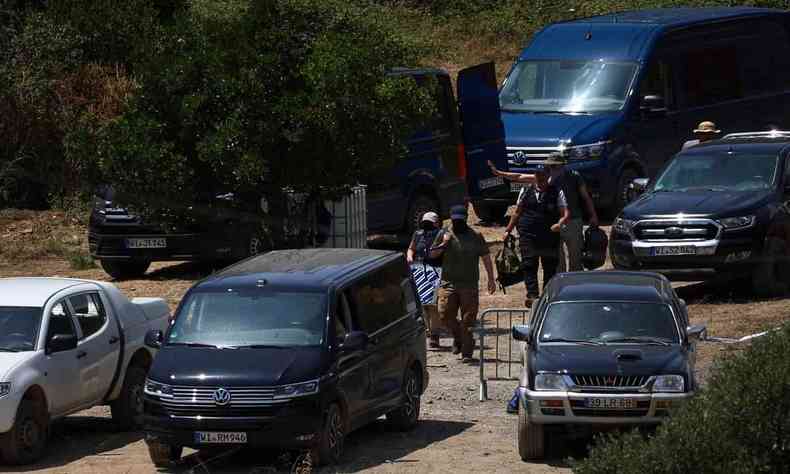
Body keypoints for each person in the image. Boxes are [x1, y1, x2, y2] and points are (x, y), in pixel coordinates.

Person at [488, 155, 598, 272]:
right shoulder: (545, 178)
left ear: (562, 166)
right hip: (553, 223)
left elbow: (586, 197)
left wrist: (593, 216)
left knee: (576, 258)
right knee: (557, 260)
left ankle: (575, 287)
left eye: (553, 166)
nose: (551, 169)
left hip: (573, 222)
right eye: (549, 166)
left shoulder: (574, 177)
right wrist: (499, 173)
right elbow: (519, 177)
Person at [431, 205, 496, 363]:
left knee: (468, 320)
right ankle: (458, 336)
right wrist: (444, 243)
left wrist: (491, 279)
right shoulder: (444, 233)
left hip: (469, 285)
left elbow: (486, 257)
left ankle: (467, 352)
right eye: (455, 220)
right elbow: (432, 253)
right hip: (448, 283)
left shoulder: (476, 236)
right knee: (444, 315)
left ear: (466, 219)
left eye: (460, 220)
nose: (458, 223)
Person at [503, 167, 570, 307]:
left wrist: (560, 223)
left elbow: (565, 213)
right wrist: (508, 230)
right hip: (528, 234)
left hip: (549, 236)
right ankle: (532, 295)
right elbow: (517, 212)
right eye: (537, 176)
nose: (540, 179)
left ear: (548, 176)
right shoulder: (526, 191)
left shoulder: (557, 191)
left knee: (550, 266)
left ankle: (547, 295)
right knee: (529, 264)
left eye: (542, 176)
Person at [407, 211, 444, 349]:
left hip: (435, 271)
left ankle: (435, 336)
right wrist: (410, 257)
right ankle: (428, 331)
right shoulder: (417, 234)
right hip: (418, 270)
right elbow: (411, 248)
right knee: (422, 305)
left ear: (437, 223)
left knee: (432, 305)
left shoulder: (442, 234)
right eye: (425, 223)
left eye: (430, 223)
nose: (427, 226)